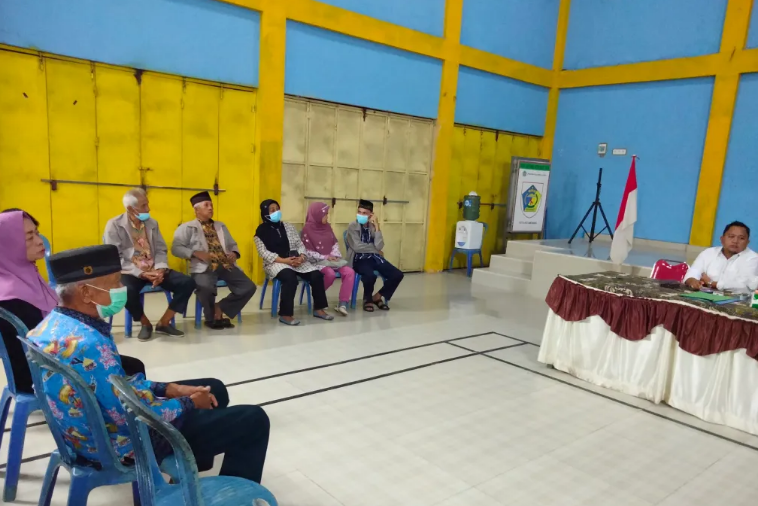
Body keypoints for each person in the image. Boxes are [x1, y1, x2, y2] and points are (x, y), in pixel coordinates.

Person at [27, 245, 270, 483]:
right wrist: (187, 403)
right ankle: (230, 492)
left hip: (87, 435)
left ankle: (189, 469)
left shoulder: (50, 327)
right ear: (86, 292)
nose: (121, 289)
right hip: (124, 445)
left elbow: (112, 385)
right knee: (253, 419)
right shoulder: (88, 343)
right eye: (115, 283)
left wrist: (169, 389)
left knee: (214, 387)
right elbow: (127, 415)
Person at [104, 188, 195, 341]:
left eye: (147, 204)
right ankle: (145, 324)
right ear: (130, 208)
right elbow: (115, 258)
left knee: (187, 282)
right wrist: (142, 273)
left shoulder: (152, 223)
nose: (148, 209)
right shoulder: (114, 225)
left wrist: (160, 269)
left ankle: (164, 323)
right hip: (130, 271)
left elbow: (160, 249)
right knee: (126, 291)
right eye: (144, 205)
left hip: (154, 268)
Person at [172, 192, 256, 330]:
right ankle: (211, 317)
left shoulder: (220, 226)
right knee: (205, 287)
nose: (211, 208)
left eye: (211, 205)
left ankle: (220, 307)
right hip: (203, 266)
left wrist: (234, 253)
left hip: (225, 264)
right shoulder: (187, 228)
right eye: (206, 205)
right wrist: (194, 253)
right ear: (196, 210)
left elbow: (232, 244)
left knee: (248, 287)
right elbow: (176, 248)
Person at [0, 209, 58, 393]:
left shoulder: (25, 276)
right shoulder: (11, 297)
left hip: (48, 366)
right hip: (38, 379)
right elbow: (40, 347)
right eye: (29, 237)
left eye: (37, 233)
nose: (40, 241)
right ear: (9, 245)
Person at [254, 199, 334, 325]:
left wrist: (301, 257)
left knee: (317, 275)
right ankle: (285, 314)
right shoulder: (260, 231)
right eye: (272, 210)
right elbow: (263, 253)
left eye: (277, 209)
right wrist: (284, 261)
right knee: (290, 278)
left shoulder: (288, 227)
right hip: (276, 263)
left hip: (296, 261)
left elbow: (300, 244)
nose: (276, 212)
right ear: (265, 213)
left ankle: (319, 309)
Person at [346, 199, 404, 312]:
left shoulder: (372, 227)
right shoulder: (352, 226)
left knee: (397, 275)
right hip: (359, 259)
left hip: (374, 258)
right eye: (359, 212)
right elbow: (357, 247)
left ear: (371, 215)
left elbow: (380, 245)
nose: (361, 215)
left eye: (364, 213)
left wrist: (377, 225)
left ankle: (377, 297)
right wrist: (375, 250)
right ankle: (367, 300)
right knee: (369, 275)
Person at [301, 202, 355, 316]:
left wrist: (334, 255)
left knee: (349, 272)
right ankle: (319, 298)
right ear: (317, 215)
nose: (327, 216)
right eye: (325, 214)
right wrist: (326, 257)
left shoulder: (327, 227)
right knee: (330, 274)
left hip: (332, 260)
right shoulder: (307, 230)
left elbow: (334, 243)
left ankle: (343, 303)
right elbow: (307, 252)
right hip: (317, 262)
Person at [684, 221, 758, 293]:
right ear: (722, 239)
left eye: (741, 238)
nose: (735, 241)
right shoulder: (709, 253)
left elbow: (744, 286)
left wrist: (712, 283)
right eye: (731, 236)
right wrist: (692, 281)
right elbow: (694, 272)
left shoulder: (753, 259)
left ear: (747, 242)